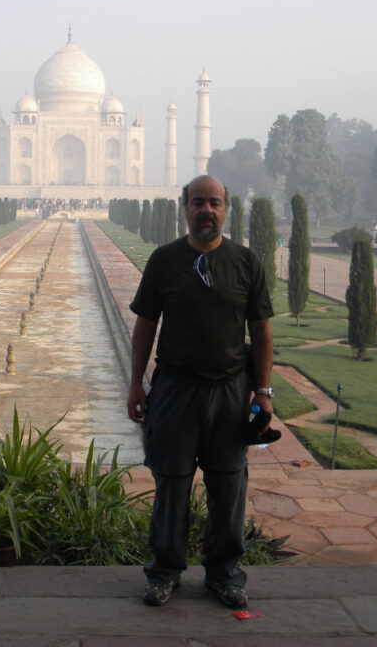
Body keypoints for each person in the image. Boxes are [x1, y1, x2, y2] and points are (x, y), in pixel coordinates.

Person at [127, 175, 275, 610]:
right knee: (171, 483)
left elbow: (261, 330)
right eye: (198, 202)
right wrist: (137, 383)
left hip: (229, 389)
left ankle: (224, 574)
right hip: (175, 387)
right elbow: (145, 324)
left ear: (226, 209)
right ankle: (164, 572)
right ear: (185, 208)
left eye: (214, 203)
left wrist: (262, 391)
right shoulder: (164, 260)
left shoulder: (245, 262)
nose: (206, 210)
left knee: (228, 485)